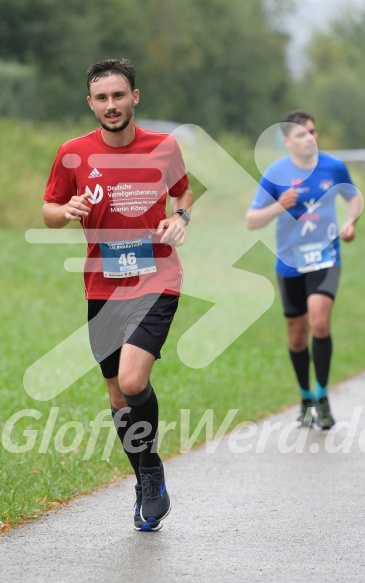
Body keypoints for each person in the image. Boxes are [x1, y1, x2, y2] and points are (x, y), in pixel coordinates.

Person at [43, 58, 193, 531]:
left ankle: (150, 472)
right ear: (91, 103)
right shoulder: (72, 153)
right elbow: (48, 210)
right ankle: (146, 477)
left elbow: (184, 194)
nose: (111, 105)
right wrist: (64, 209)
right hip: (102, 285)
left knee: (131, 381)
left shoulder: (163, 147)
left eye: (118, 95)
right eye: (102, 98)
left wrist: (180, 219)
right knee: (117, 396)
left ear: (135, 97)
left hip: (157, 278)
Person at [246, 110, 362, 429]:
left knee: (319, 320)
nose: (310, 137)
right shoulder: (275, 173)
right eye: (301, 133)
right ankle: (306, 396)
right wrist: (279, 205)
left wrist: (350, 223)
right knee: (297, 337)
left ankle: (323, 397)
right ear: (287, 141)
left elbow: (353, 198)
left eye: (313, 131)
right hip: (290, 262)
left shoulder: (333, 167)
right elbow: (251, 220)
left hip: (325, 256)